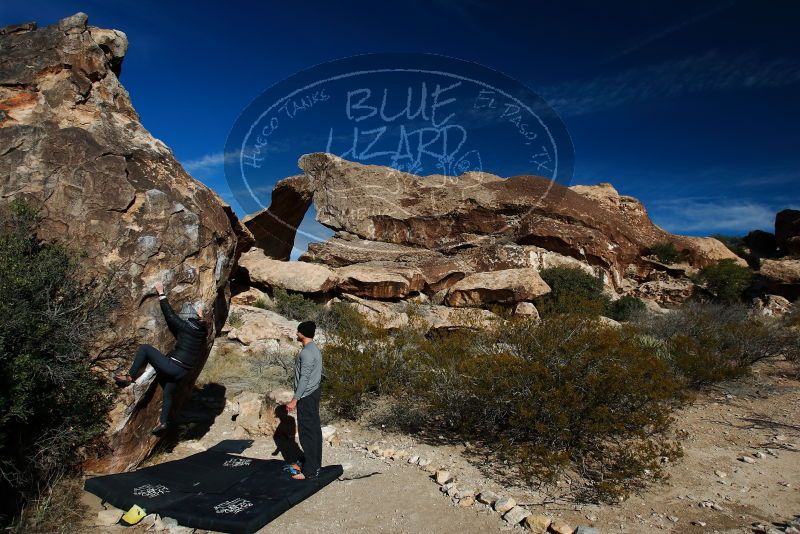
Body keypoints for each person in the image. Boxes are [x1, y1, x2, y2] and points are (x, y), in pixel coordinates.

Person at [114, 282, 207, 435]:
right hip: (182, 373)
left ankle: (130, 376)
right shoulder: (201, 333)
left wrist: (161, 293)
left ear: (189, 321)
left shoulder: (185, 328)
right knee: (168, 393)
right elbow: (202, 324)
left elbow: (170, 315)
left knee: (145, 348)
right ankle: (162, 422)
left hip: (173, 366)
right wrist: (201, 317)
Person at [284, 320, 323, 480]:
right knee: (314, 430)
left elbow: (304, 378)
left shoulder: (306, 352)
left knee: (307, 433)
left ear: (302, 333)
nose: (296, 334)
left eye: (298, 332)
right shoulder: (315, 349)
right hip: (314, 393)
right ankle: (314, 464)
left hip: (306, 396)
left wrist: (295, 399)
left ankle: (310, 472)